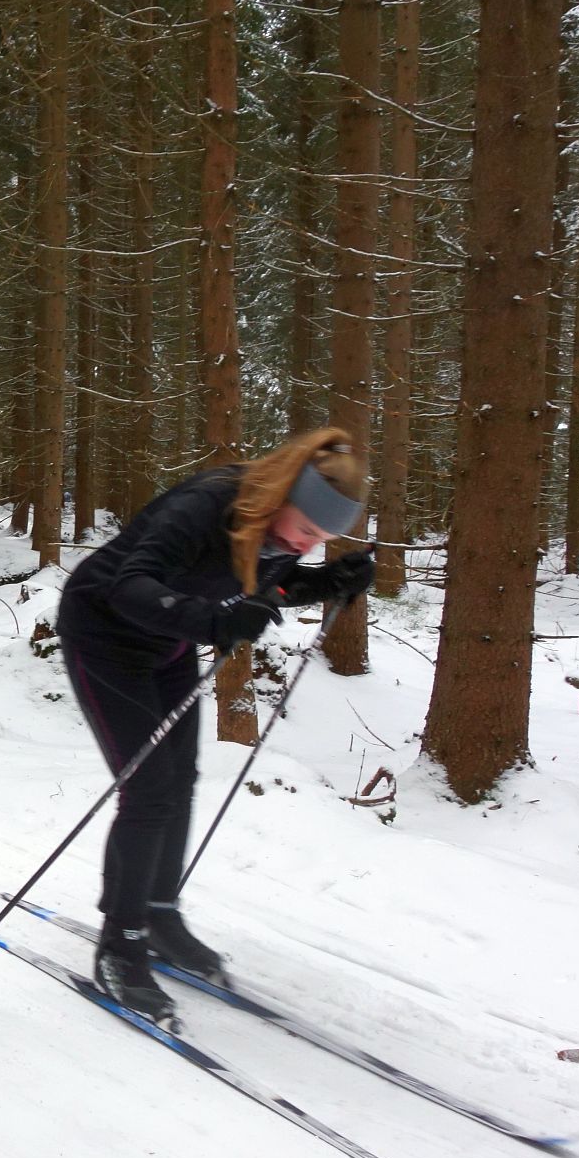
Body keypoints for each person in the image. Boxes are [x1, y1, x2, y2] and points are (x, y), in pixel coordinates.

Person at [53, 427, 375, 1022]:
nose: (307, 545)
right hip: (103, 634)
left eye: (322, 540)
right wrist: (213, 621)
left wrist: (326, 583)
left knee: (180, 779)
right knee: (148, 789)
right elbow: (132, 585)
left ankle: (158, 914)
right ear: (285, 493)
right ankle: (120, 945)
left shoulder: (277, 524)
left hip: (167, 643)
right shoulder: (205, 505)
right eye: (308, 530)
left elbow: (264, 580)